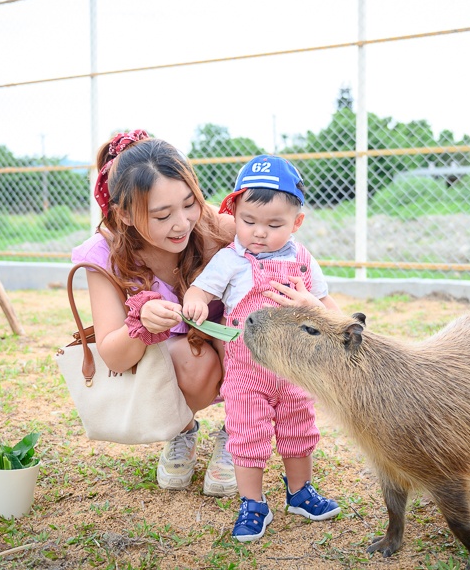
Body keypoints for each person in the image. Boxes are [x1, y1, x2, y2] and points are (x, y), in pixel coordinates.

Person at [72, 132, 326, 497]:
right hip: (177, 364)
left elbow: (284, 250)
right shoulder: (106, 255)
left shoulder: (220, 229)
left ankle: (237, 430)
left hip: (240, 358)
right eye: (162, 215)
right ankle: (181, 428)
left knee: (239, 324)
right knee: (191, 360)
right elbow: (112, 353)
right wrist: (141, 325)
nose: (182, 223)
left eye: (190, 203)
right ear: (124, 215)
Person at [181, 154, 341, 542]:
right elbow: (201, 289)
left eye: (274, 225)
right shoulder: (230, 260)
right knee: (247, 433)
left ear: (296, 222)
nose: (259, 233)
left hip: (296, 368)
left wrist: (315, 308)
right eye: (249, 221)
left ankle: (300, 492)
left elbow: (328, 306)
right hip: (246, 369)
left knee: (299, 427)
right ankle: (253, 503)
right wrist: (197, 301)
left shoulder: (303, 260)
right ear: (234, 213)